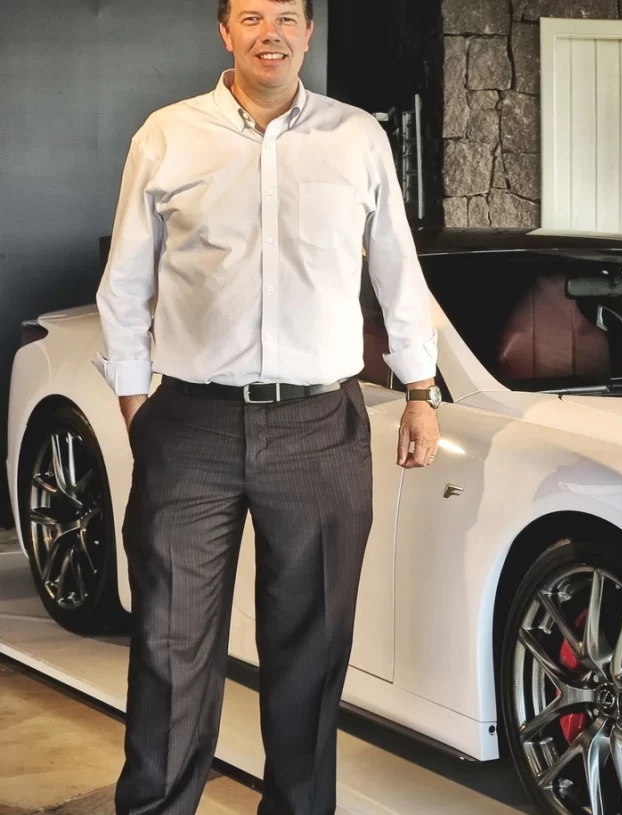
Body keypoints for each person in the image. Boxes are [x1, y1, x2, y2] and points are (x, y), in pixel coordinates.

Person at [94, 0, 442, 812]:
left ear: (308, 32)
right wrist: (138, 406)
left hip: (320, 427)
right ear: (225, 32)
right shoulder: (167, 136)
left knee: (309, 656)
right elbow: (125, 282)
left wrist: (421, 390)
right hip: (190, 425)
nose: (271, 33)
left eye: (287, 16)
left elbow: (397, 269)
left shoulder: (356, 138)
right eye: (252, 16)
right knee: (169, 646)